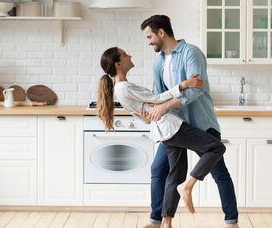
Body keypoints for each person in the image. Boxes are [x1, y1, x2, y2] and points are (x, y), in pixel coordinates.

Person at [97, 47, 227, 228]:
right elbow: (158, 98)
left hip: (165, 131)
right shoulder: (124, 87)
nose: (130, 55)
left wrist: (146, 115)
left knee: (175, 174)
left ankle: (166, 223)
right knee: (216, 147)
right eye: (126, 54)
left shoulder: (121, 88)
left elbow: (143, 113)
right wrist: (184, 84)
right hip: (171, 127)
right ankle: (188, 186)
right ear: (118, 64)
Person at [140, 15, 239, 228]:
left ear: (161, 32)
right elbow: (160, 94)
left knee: (219, 174)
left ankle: (231, 221)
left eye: (149, 36)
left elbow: (196, 89)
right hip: (175, 128)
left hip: (201, 123)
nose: (149, 41)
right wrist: (154, 107)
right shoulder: (158, 61)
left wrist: (165, 105)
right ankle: (157, 220)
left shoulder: (191, 53)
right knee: (159, 170)